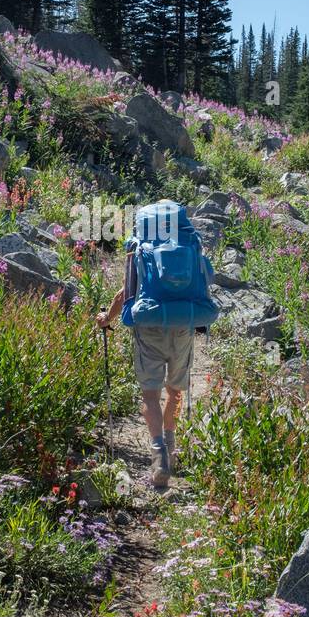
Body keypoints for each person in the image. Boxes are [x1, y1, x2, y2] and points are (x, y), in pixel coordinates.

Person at [95, 200, 217, 488]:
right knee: (175, 392)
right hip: (183, 325)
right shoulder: (189, 242)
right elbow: (204, 281)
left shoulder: (138, 245)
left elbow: (127, 291)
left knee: (150, 394)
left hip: (148, 327)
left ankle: (158, 452)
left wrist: (106, 316)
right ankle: (172, 446)